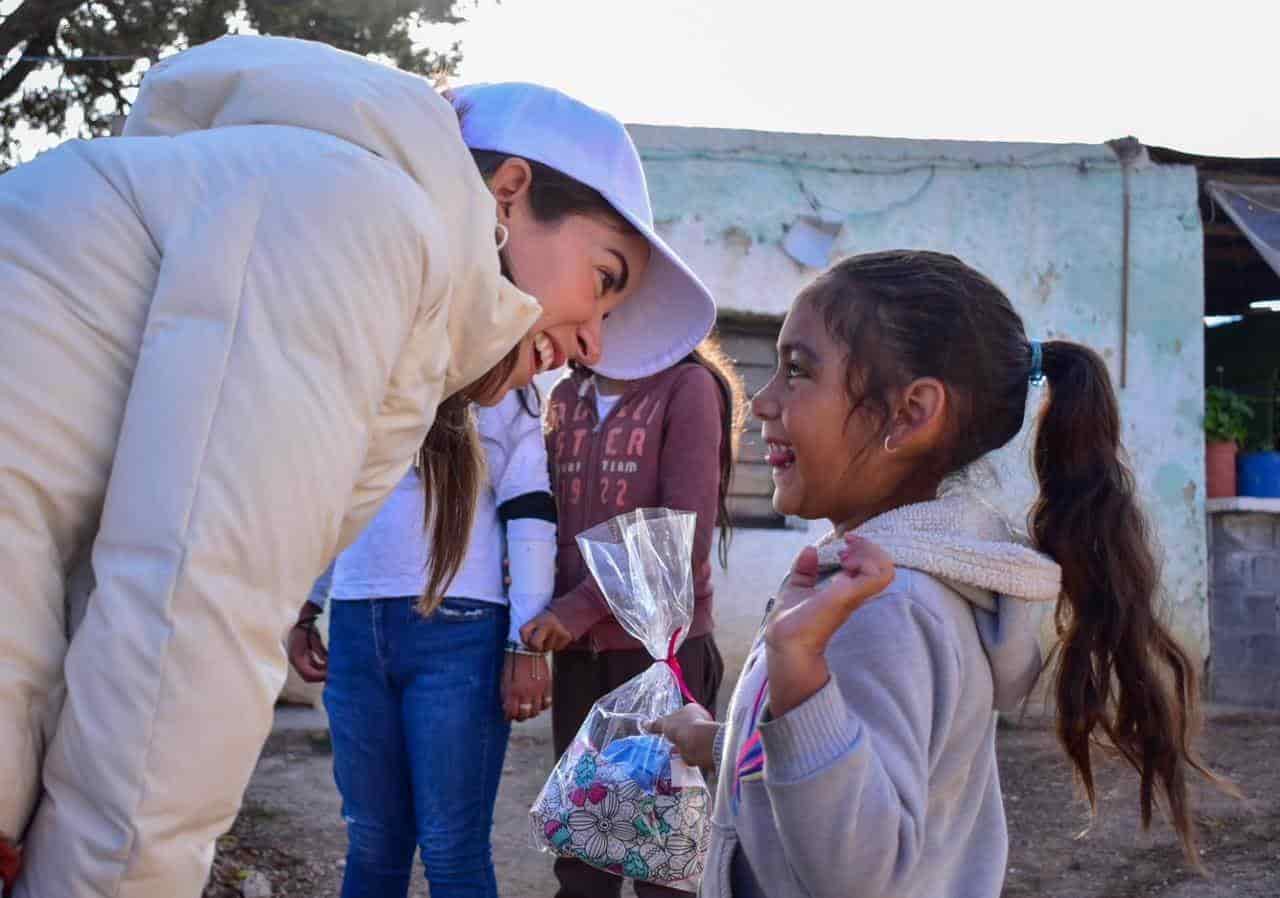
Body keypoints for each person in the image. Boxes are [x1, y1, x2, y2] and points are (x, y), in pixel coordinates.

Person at [0, 34, 715, 898]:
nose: (593, 342)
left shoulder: (350, 228)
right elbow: (188, 612)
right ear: (511, 192)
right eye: (604, 278)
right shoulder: (362, 221)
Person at [655, 250, 1221, 898]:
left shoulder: (885, 609)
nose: (761, 402)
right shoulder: (902, 586)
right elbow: (847, 767)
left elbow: (852, 872)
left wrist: (797, 672)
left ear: (912, 413)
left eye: (797, 371)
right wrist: (718, 745)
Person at [289, 389, 554, 898]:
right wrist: (306, 606)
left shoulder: (498, 377)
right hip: (355, 619)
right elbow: (327, 498)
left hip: (461, 627)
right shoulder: (371, 357)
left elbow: (530, 509)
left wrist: (527, 644)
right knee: (371, 841)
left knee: (451, 847)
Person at [521, 339, 744, 897]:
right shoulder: (568, 395)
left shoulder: (686, 387)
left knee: (660, 859)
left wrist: (575, 609)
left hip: (663, 655)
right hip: (579, 656)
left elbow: (681, 532)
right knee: (581, 851)